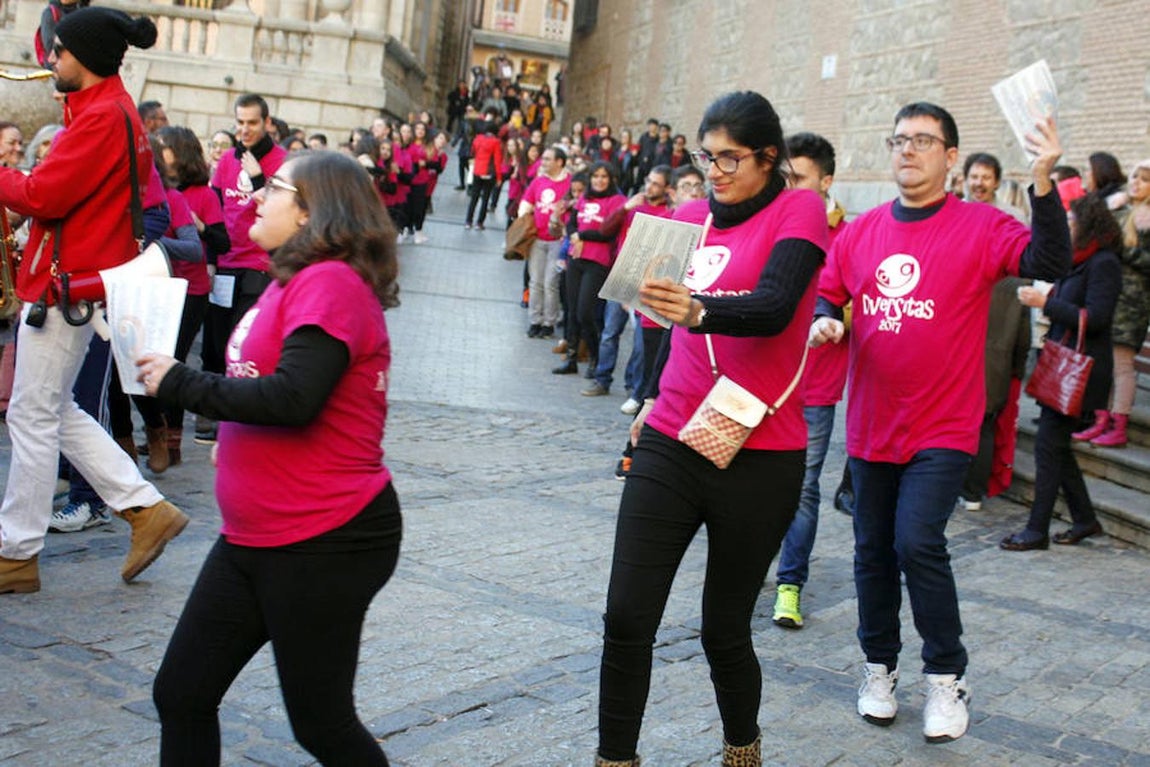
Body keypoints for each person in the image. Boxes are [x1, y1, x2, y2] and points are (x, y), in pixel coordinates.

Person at [810, 103, 1069, 743]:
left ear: (950, 157)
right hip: (872, 425)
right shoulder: (863, 229)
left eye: (923, 141)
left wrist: (1042, 180)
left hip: (943, 428)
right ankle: (878, 669)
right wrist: (827, 316)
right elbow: (829, 288)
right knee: (871, 552)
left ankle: (946, 677)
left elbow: (1049, 261)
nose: (908, 150)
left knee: (916, 543)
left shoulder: (981, 226)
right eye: (899, 139)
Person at [144, 151, 401, 766]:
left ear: (314, 210)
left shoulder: (332, 282)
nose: (257, 195)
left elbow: (293, 397)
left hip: (325, 538)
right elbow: (268, 382)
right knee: (182, 692)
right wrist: (233, 442)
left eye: (276, 188)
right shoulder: (295, 279)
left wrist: (182, 382)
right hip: (256, 535)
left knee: (322, 724)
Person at [596, 91, 829, 767]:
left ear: (767, 157)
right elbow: (668, 328)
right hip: (674, 434)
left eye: (730, 157)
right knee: (626, 617)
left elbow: (777, 306)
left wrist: (699, 308)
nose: (716, 170)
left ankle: (741, 748)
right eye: (707, 155)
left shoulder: (800, 211)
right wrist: (644, 401)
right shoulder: (688, 217)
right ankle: (615, 758)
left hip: (762, 455)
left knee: (723, 627)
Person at [0, 6, 189, 594]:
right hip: (69, 285)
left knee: (31, 416)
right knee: (53, 412)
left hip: (64, 287)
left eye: (58, 51)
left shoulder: (103, 116)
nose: (50, 59)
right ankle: (143, 508)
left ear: (86, 57)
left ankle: (17, 552)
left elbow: (44, 194)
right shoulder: (107, 110)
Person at [1001, 193, 1121, 550]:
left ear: (1089, 224)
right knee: (1056, 448)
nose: (1068, 227)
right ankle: (1085, 519)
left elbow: (1097, 318)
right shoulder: (1078, 261)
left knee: (1048, 447)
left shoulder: (1103, 263)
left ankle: (1036, 530)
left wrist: (1046, 303)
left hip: (1082, 370)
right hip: (1061, 363)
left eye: (1072, 222)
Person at [771, 132, 850, 631]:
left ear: (826, 181)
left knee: (803, 487)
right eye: (785, 178)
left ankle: (790, 583)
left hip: (815, 386)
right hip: (761, 379)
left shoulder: (850, 235)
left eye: (798, 178)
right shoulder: (773, 222)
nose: (790, 188)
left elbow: (860, 303)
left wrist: (837, 319)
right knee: (752, 482)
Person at [202, 93, 287, 444]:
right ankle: (210, 411)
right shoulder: (226, 161)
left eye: (252, 123)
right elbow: (215, 209)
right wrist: (209, 260)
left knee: (243, 344)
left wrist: (256, 181)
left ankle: (232, 419)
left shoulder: (282, 162)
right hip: (225, 264)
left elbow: (281, 212)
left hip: (259, 266)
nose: (245, 130)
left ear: (267, 123)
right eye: (240, 123)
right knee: (215, 344)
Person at [956, 152, 1031, 511]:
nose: (979, 182)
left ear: (997, 182)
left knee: (983, 418)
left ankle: (971, 491)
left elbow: (1021, 305)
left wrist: (1018, 358)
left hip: (993, 345)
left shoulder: (1008, 230)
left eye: (986, 177)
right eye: (974, 176)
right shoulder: (950, 222)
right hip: (955, 342)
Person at [1073, 159, 1150, 447]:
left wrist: (1124, 252)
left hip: (1133, 302)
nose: (1136, 183)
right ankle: (1100, 418)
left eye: (1144, 179)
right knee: (1103, 362)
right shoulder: (1120, 209)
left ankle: (1119, 423)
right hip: (1108, 295)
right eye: (1134, 177)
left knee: (1121, 364)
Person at [583, 165, 673, 397]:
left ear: (666, 189)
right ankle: (602, 379)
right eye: (648, 180)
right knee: (610, 332)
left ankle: (633, 386)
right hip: (622, 275)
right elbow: (605, 229)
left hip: (647, 282)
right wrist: (624, 208)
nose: (649, 186)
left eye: (655, 183)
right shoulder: (633, 207)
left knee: (640, 342)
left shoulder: (669, 213)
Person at [552, 161, 626, 378]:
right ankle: (572, 359)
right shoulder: (585, 197)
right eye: (595, 176)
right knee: (572, 311)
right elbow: (572, 223)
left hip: (598, 262)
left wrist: (581, 236)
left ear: (611, 179)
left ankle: (595, 357)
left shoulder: (616, 201)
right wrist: (575, 234)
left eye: (604, 176)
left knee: (586, 312)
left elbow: (606, 233)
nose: (599, 180)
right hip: (576, 259)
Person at [520, 146, 571, 339]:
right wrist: (523, 217)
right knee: (535, 282)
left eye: (548, 159)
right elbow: (527, 202)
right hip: (537, 239)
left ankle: (549, 322)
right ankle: (535, 320)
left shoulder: (569, 183)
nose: (544, 162)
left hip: (558, 241)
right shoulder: (539, 181)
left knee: (551, 283)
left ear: (559, 162)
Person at [464, 120, 502, 231]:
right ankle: (479, 223)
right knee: (485, 199)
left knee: (474, 198)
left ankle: (468, 221)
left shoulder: (477, 139)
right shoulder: (495, 142)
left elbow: (472, 153)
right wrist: (499, 177)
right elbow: (497, 161)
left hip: (477, 171)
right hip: (489, 173)